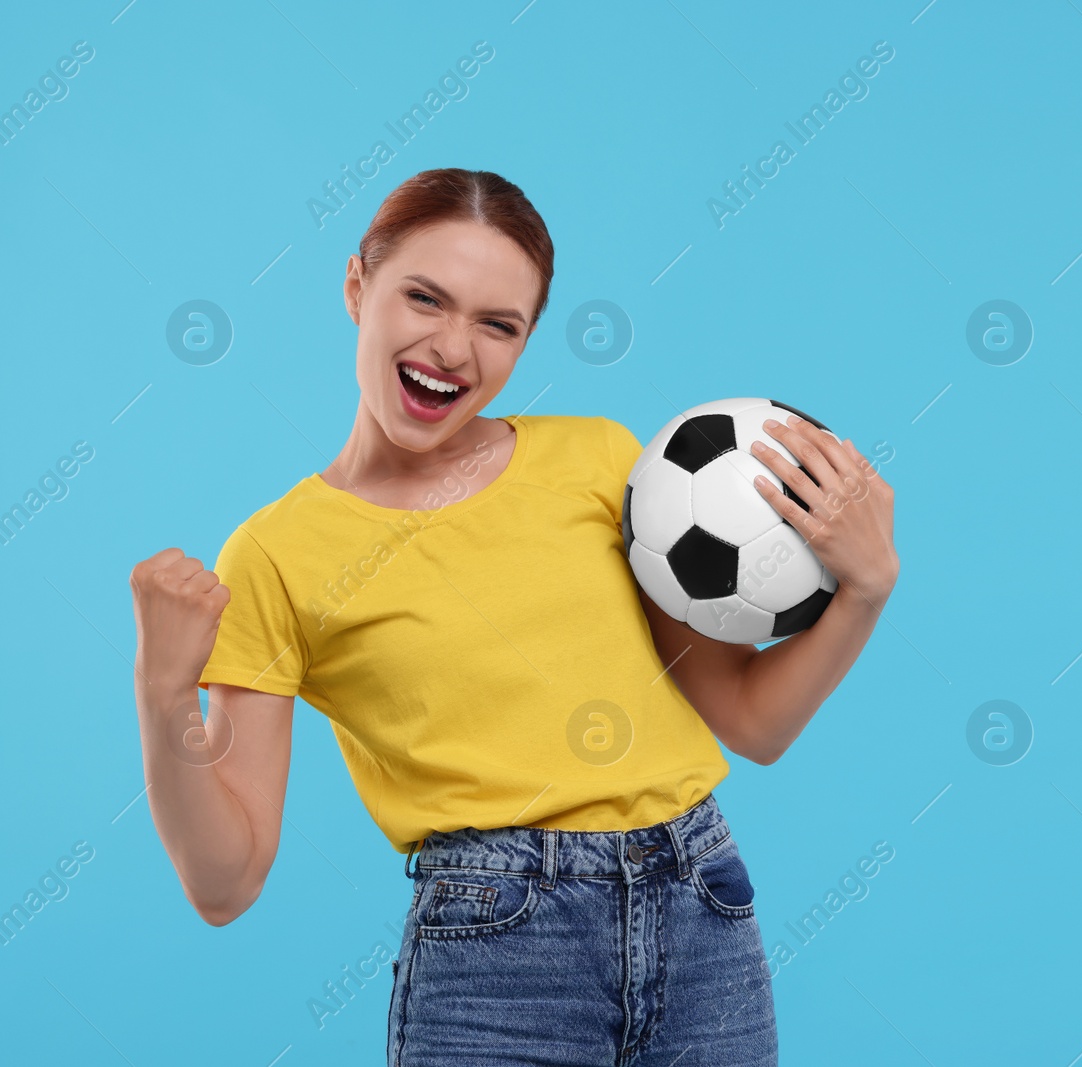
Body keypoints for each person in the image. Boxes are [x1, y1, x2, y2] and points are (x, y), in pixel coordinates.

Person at [127, 167, 899, 1065]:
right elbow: (226, 881)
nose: (454, 348)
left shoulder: (604, 462)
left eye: (499, 324)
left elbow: (752, 720)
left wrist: (864, 590)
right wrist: (163, 689)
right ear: (355, 287)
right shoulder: (276, 555)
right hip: (497, 947)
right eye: (425, 298)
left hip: (702, 909)